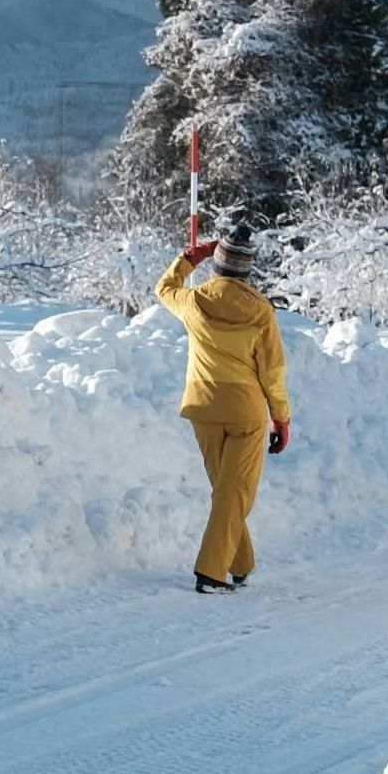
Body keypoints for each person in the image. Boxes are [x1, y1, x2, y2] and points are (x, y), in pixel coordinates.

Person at [153, 216, 292, 594]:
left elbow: (164, 287)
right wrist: (281, 418)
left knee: (226, 490)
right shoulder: (261, 311)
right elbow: (273, 371)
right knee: (235, 492)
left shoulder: (194, 300)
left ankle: (241, 563)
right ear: (247, 268)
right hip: (244, 411)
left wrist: (189, 257)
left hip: (203, 406)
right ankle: (211, 573)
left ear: (218, 263)